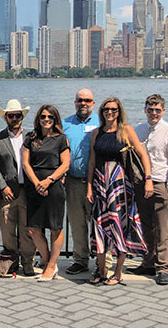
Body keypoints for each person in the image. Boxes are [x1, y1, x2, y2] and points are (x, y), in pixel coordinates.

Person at [85, 97, 152, 286]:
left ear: (119, 111)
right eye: (106, 109)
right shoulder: (96, 133)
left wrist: (148, 179)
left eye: (113, 109)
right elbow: (92, 160)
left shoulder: (126, 131)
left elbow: (142, 154)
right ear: (102, 111)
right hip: (100, 183)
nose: (110, 112)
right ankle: (100, 269)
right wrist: (89, 185)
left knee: (119, 225)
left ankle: (118, 271)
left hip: (120, 185)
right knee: (98, 225)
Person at [132, 94, 168, 286]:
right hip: (142, 184)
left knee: (162, 229)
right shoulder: (139, 130)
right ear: (145, 109)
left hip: (160, 184)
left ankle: (163, 268)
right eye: (150, 109)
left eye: (157, 110)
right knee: (146, 226)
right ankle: (148, 262)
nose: (154, 113)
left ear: (163, 111)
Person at [22, 105, 70, 282]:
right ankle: (49, 261)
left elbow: (65, 164)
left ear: (55, 118)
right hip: (35, 186)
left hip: (54, 186)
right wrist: (36, 183)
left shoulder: (61, 139)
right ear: (38, 118)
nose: (46, 119)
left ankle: (50, 266)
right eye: (43, 116)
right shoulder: (31, 137)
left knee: (55, 227)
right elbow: (26, 163)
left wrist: (48, 181)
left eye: (50, 116)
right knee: (34, 229)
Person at [62, 88, 107, 276]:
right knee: (77, 223)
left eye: (87, 100)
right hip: (72, 182)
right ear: (75, 102)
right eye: (80, 100)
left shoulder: (102, 123)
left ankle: (102, 262)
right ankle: (80, 260)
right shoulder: (65, 124)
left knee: (100, 223)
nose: (83, 103)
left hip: (96, 182)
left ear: (93, 103)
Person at [0, 99, 37, 276]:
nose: (15, 118)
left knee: (27, 230)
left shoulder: (31, 136)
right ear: (6, 117)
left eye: (18, 115)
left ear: (22, 117)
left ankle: (28, 262)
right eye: (11, 115)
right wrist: (3, 187)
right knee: (7, 230)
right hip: (6, 192)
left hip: (27, 190)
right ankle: (11, 261)